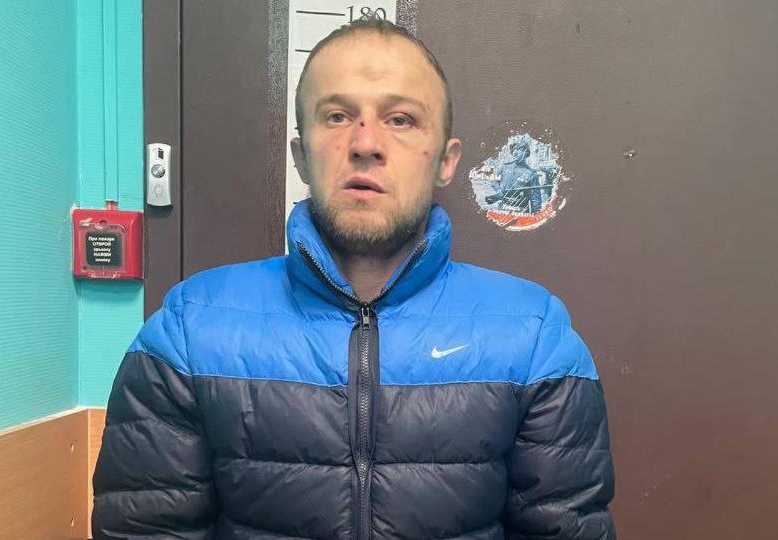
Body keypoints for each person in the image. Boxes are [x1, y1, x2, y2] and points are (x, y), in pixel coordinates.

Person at [92, 16, 616, 540]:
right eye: (338, 116)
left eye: (401, 119)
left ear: (446, 161)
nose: (366, 143)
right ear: (301, 156)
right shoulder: (189, 333)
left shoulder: (534, 338)